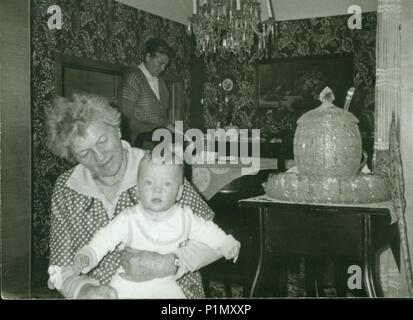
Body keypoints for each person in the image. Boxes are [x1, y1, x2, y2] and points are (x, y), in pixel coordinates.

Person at [46, 93, 222, 299]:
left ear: (118, 129)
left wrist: (171, 263)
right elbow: (60, 268)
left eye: (102, 141)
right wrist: (83, 290)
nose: (100, 156)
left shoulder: (158, 168)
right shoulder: (67, 188)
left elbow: (215, 243)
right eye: (84, 153)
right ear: (72, 156)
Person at [73, 151, 240, 298]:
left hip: (165, 284)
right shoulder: (129, 218)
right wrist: (89, 254)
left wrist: (226, 243)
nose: (157, 190)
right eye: (149, 183)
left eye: (166, 184)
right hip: (127, 283)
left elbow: (209, 232)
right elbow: (105, 238)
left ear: (179, 192)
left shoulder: (185, 218)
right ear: (138, 189)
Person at [118, 38, 172, 148]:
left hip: (158, 136)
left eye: (165, 65)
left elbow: (163, 120)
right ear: (148, 57)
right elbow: (126, 119)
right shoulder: (133, 77)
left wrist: (181, 134)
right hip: (138, 140)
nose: (163, 69)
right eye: (160, 63)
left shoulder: (161, 83)